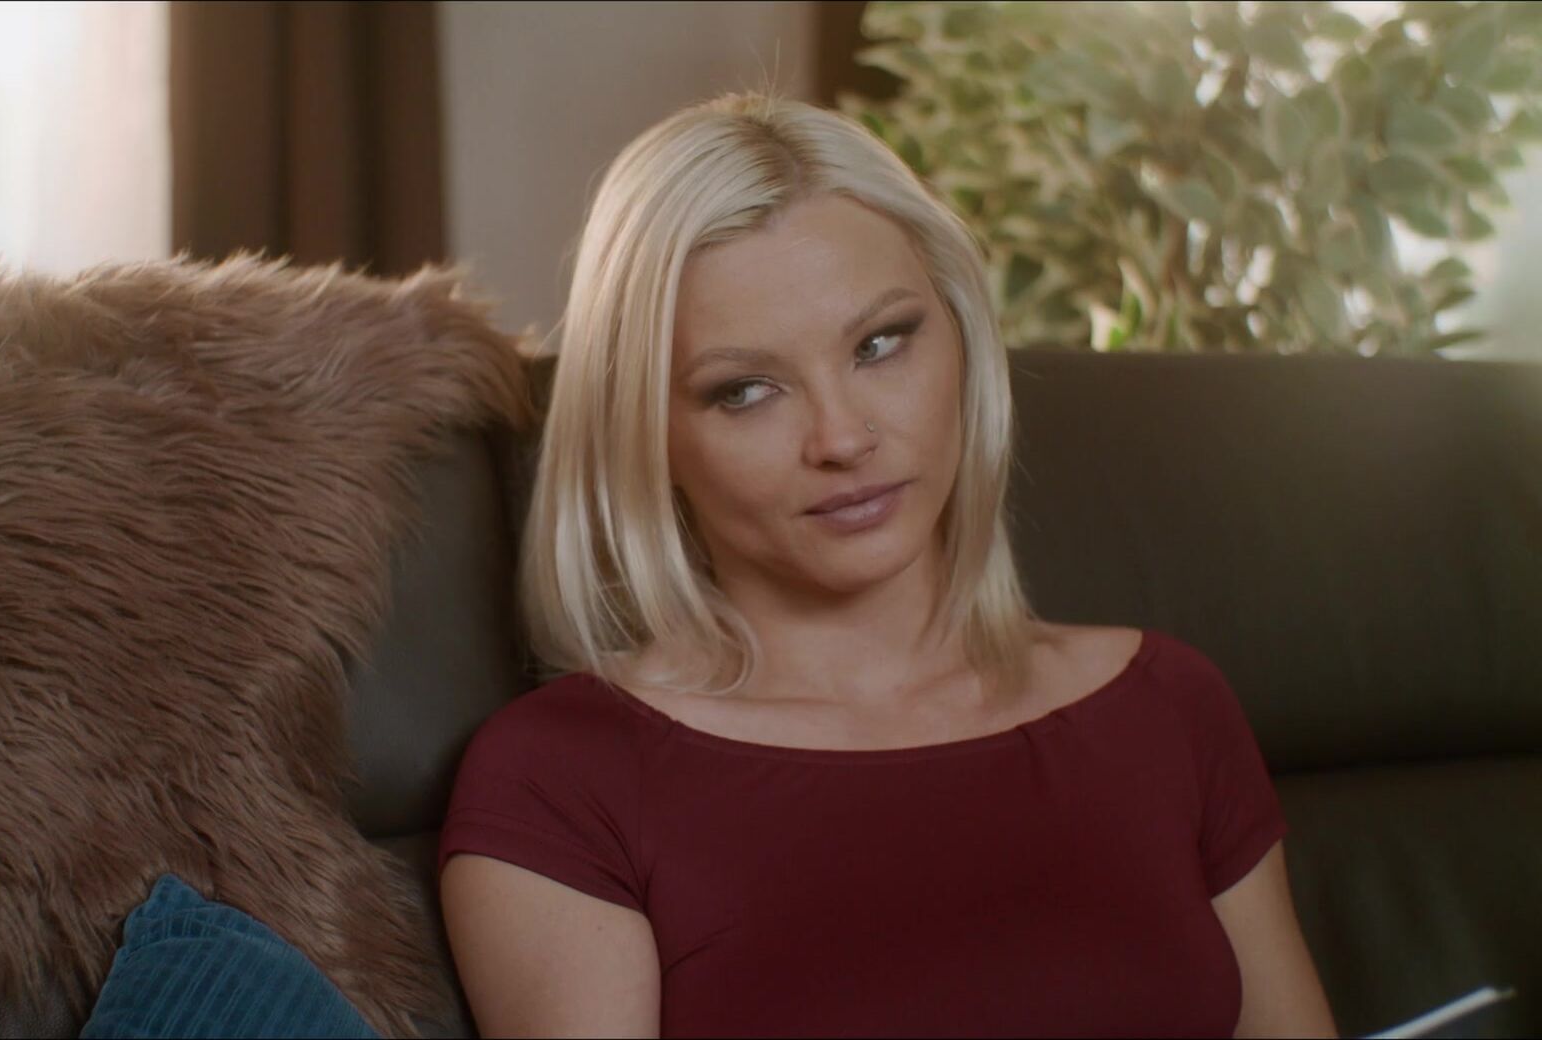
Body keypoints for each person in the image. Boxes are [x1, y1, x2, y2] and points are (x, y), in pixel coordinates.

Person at [436, 92, 1339, 1038]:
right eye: (744, 391)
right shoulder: (561, 780)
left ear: (964, 340)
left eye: (879, 344)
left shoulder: (1169, 707)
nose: (842, 437)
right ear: (645, 436)